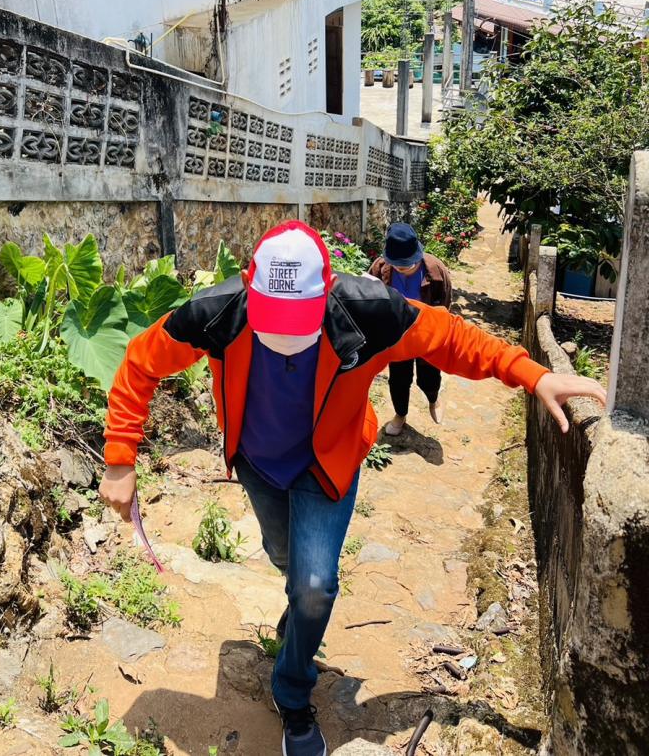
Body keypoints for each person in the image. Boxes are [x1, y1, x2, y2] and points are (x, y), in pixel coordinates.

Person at [98, 220, 605, 756]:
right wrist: (119, 460)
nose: (285, 339)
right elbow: (140, 362)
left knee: (315, 585)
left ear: (326, 293)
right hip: (258, 462)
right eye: (273, 321)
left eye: (298, 323)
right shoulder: (218, 312)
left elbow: (452, 338)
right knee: (285, 559)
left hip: (328, 463)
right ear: (250, 288)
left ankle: (292, 694)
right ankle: (298, 611)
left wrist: (534, 375)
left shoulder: (369, 311)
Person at [369, 222, 452, 436]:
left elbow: (445, 307)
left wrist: (437, 336)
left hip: (426, 335)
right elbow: (371, 300)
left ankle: (433, 398)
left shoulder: (435, 271)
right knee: (398, 379)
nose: (402, 268)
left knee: (429, 375)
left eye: (407, 264)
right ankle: (400, 415)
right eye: (397, 264)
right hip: (398, 337)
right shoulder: (379, 269)